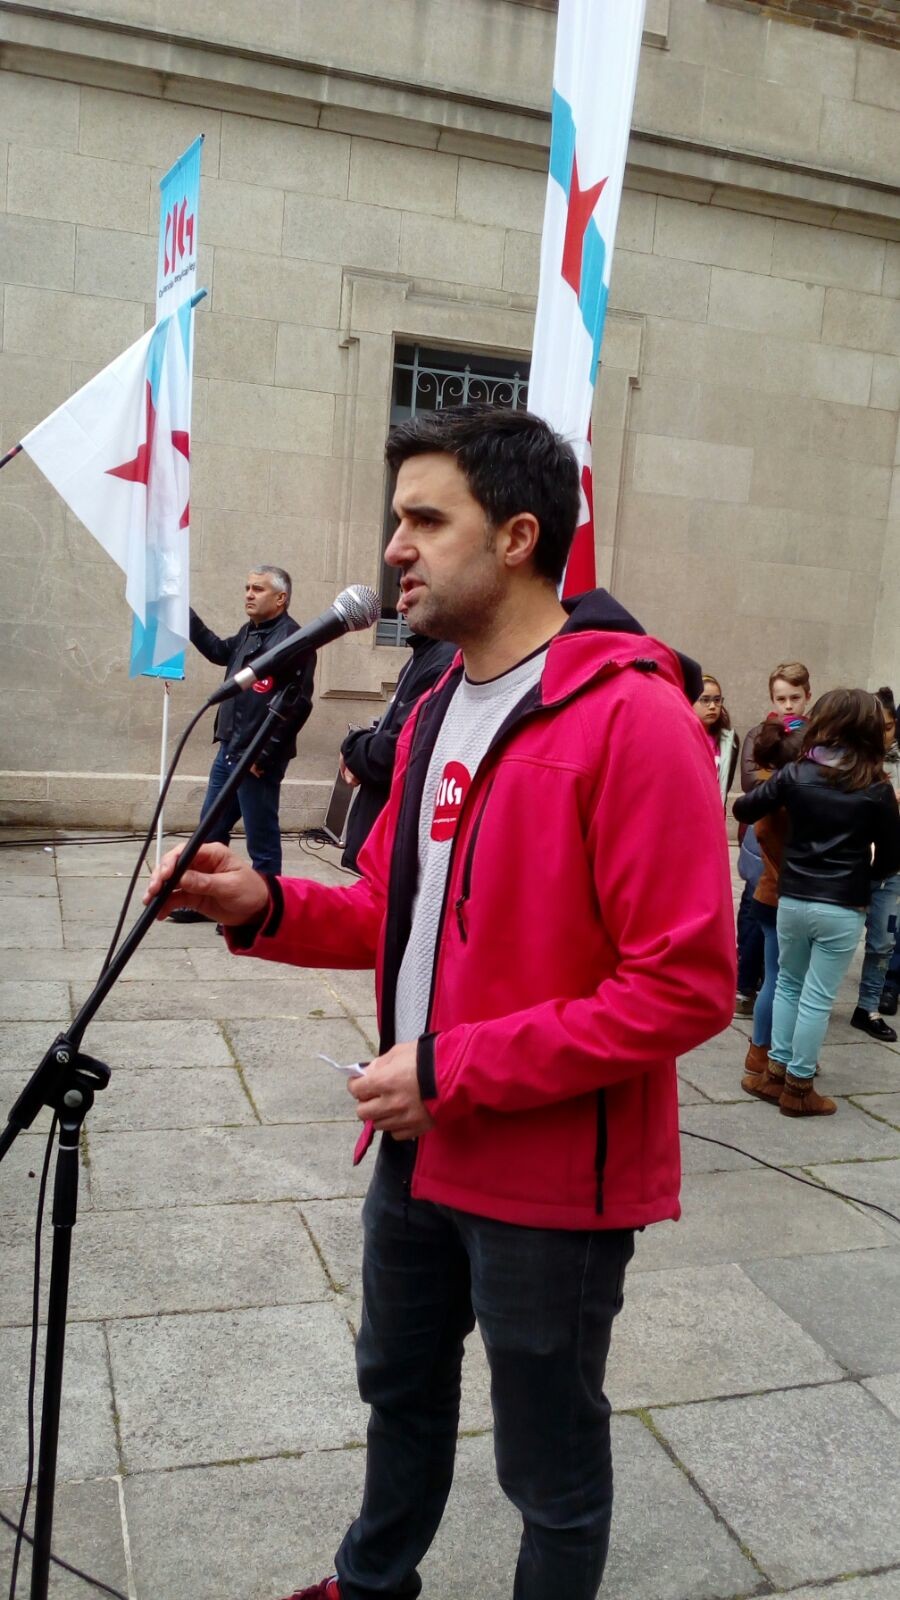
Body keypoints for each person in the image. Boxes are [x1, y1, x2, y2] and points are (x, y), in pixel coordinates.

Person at [146, 403, 736, 1600]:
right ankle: (372, 1583)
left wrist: (453, 1069)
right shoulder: (432, 709)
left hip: (548, 1180)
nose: (394, 547)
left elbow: (684, 986)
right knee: (399, 1389)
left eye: (426, 518)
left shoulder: (635, 716)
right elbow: (390, 909)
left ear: (518, 537)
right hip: (416, 1145)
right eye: (396, 518)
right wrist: (260, 902)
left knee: (547, 1461)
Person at [733, 689, 900, 1118]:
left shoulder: (796, 773)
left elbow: (746, 808)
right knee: (817, 997)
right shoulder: (877, 787)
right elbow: (891, 858)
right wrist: (864, 880)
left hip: (792, 898)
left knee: (788, 984)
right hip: (842, 905)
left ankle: (774, 1075)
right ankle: (799, 1088)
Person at [169, 567, 316, 922]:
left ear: (280, 598)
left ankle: (261, 912)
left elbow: (298, 705)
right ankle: (211, 902)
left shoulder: (292, 640)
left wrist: (262, 755)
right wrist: (182, 612)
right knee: (211, 831)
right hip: (230, 750)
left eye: (258, 589)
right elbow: (218, 651)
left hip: (256, 759)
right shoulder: (249, 632)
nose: (249, 594)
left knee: (260, 840)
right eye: (247, 587)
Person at [734, 661, 814, 1017]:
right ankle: (744, 984)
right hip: (761, 832)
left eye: (795, 697)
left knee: (784, 916)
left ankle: (770, 980)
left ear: (807, 696)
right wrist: (795, 779)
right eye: (781, 698)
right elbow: (751, 781)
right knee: (755, 906)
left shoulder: (814, 734)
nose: (788, 706)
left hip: (799, 834)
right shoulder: (760, 733)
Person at [339, 631, 456, 873]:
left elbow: (401, 751)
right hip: (380, 841)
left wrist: (352, 748)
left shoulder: (444, 661)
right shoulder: (424, 653)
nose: (401, 611)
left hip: (395, 847)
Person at [741, 715, 806, 1085]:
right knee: (786, 981)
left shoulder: (767, 797)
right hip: (786, 897)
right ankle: (770, 1051)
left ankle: (759, 1052)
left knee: (775, 978)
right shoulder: (790, 801)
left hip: (766, 894)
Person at [851, 686, 900, 1041]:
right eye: (874, 726)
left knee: (883, 941)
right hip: (850, 863)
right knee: (835, 940)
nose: (881, 734)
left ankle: (868, 1006)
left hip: (890, 865)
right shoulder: (848, 763)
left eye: (887, 726)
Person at [692, 674, 739, 810]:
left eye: (717, 700)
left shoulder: (729, 740)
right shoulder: (681, 737)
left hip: (715, 812)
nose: (712, 706)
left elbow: (725, 783)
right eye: (705, 700)